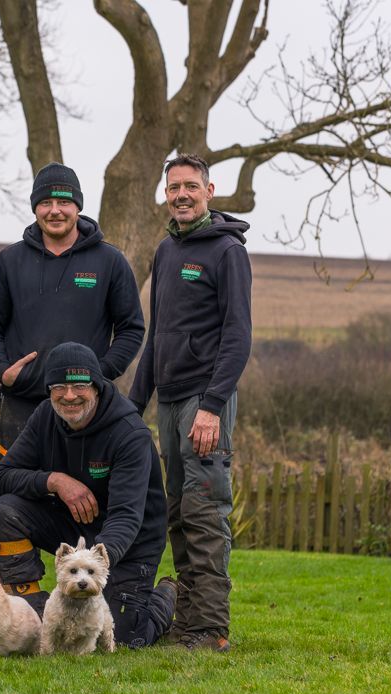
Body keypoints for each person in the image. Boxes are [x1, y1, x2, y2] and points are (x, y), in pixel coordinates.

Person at [128, 153, 252, 652]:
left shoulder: (227, 252)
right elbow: (156, 338)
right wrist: (130, 408)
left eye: (190, 187)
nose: (181, 194)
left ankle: (210, 629)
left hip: (205, 401)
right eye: (173, 187)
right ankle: (186, 620)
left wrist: (212, 406)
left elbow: (238, 336)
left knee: (205, 511)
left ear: (209, 190)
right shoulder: (166, 251)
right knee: (177, 510)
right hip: (171, 401)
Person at [0, 342, 176, 647]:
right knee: (5, 511)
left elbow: (127, 516)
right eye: (59, 386)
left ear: (97, 387)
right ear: (49, 390)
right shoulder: (45, 416)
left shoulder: (130, 434)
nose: (69, 396)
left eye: (79, 386)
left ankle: (165, 597)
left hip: (131, 541)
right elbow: (3, 477)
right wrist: (55, 481)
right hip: (74, 528)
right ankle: (33, 609)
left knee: (124, 638)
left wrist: (96, 561)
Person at [0, 162, 144, 456]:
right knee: (18, 492)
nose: (55, 210)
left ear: (77, 206)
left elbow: (131, 329)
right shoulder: (10, 260)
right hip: (22, 404)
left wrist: (97, 374)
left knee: (83, 497)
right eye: (45, 202)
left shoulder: (109, 261)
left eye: (64, 202)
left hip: (85, 406)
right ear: (35, 208)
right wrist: (2, 371)